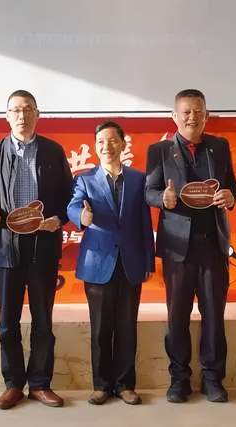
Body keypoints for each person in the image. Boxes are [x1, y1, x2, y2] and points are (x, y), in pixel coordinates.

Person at [0, 89, 73, 409]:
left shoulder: (53, 152)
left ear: (37, 114)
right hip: (5, 247)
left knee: (43, 320)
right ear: (7, 116)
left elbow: (70, 196)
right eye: (15, 110)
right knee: (8, 322)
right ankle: (14, 384)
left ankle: (40, 384)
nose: (22, 115)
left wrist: (59, 218)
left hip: (43, 246)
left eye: (28, 109)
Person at [145, 89, 236, 403]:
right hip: (177, 249)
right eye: (186, 112)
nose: (192, 117)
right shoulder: (159, 150)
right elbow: (148, 191)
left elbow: (231, 188)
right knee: (177, 317)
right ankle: (179, 379)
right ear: (174, 116)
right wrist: (163, 199)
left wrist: (229, 197)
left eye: (198, 111)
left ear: (206, 115)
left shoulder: (219, 147)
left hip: (213, 245)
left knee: (214, 316)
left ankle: (213, 379)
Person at [68, 121, 155, 406]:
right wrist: (82, 217)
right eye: (101, 142)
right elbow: (73, 206)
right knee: (100, 328)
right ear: (95, 147)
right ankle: (101, 385)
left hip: (131, 262)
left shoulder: (138, 179)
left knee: (127, 326)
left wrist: (148, 261)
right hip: (97, 264)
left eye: (112, 140)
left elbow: (145, 223)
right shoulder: (85, 180)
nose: (106, 146)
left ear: (123, 143)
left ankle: (125, 385)